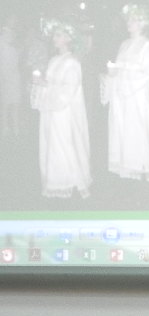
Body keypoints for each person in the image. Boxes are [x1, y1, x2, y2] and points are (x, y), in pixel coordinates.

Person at [103, 4, 149, 180]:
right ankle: (125, 166)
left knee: (137, 130)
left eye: (134, 20)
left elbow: (147, 75)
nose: (129, 23)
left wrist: (126, 84)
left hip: (137, 97)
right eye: (129, 19)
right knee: (123, 130)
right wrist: (112, 74)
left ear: (143, 23)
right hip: (120, 97)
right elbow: (119, 69)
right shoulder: (124, 45)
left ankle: (142, 165)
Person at [36, 20, 91, 199]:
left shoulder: (72, 63)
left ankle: (67, 180)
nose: (54, 38)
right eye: (54, 35)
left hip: (63, 111)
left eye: (58, 35)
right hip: (51, 109)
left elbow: (69, 89)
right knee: (50, 143)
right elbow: (51, 82)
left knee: (62, 145)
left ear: (68, 38)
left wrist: (48, 87)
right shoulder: (54, 60)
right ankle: (54, 179)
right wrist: (41, 84)